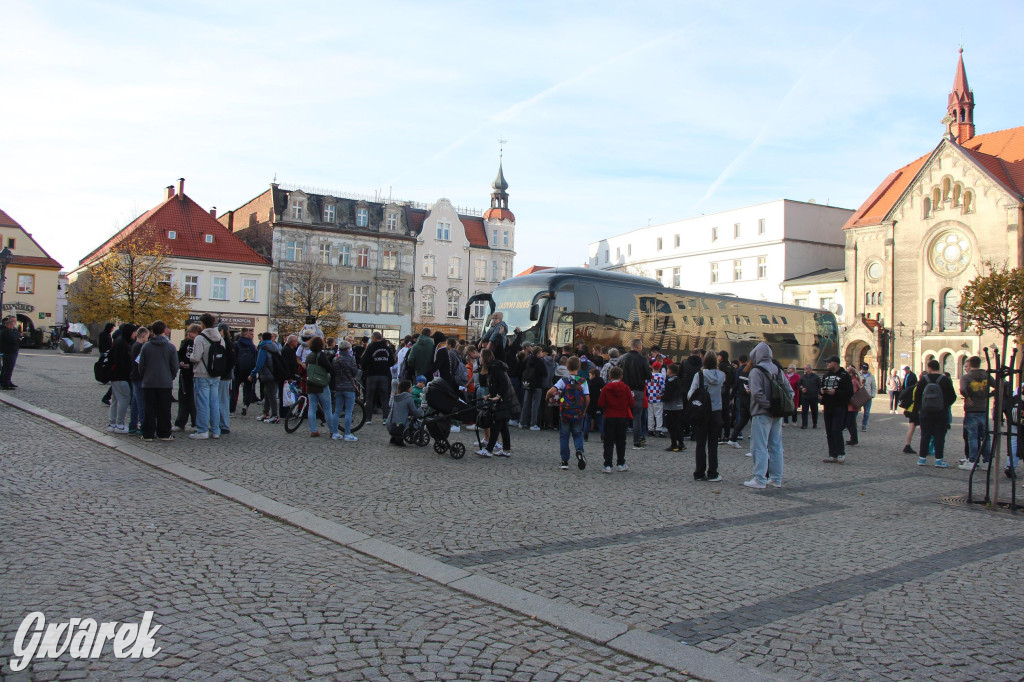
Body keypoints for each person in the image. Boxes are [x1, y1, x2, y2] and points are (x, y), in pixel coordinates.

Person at [744, 342, 791, 489]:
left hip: (762, 412)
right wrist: (778, 407)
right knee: (776, 446)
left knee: (760, 446)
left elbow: (757, 393)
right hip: (778, 413)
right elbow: (789, 391)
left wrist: (767, 405)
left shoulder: (756, 371)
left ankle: (760, 479)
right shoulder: (777, 369)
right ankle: (776, 478)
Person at [546, 356, 590, 470]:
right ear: (578, 367)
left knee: (564, 436)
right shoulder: (582, 381)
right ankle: (579, 451)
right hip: (578, 412)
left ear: (567, 367)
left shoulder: (563, 380)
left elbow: (551, 391)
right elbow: (587, 397)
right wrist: (584, 410)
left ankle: (564, 461)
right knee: (577, 434)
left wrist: (548, 398)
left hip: (565, 412)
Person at [911, 359, 957, 467]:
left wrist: (920, 408)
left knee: (925, 435)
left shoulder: (924, 379)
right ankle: (939, 460)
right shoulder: (944, 379)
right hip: (941, 413)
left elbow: (917, 396)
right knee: (939, 436)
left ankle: (922, 459)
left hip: (925, 412)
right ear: (939, 367)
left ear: (929, 368)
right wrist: (944, 406)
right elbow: (953, 396)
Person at [138, 320, 178, 442]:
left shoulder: (146, 346)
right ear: (164, 330)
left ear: (152, 331)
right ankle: (164, 433)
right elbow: (175, 366)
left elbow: (141, 365)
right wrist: (170, 376)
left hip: (149, 381)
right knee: (164, 409)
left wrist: (145, 376)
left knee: (149, 408)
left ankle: (148, 434)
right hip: (165, 382)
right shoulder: (170, 347)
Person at [477, 348, 519, 458]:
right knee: (503, 426)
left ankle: (489, 450)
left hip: (503, 400)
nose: (479, 359)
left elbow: (504, 384)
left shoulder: (495, 368)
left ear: (485, 358)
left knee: (497, 425)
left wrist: (498, 396)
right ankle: (506, 450)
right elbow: (496, 385)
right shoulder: (493, 368)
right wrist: (490, 395)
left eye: (481, 357)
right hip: (502, 399)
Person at [690, 352, 725, 482]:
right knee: (713, 444)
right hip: (716, 411)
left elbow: (691, 393)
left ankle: (699, 472)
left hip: (702, 411)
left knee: (700, 443)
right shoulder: (721, 376)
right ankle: (713, 472)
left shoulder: (699, 375)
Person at [188, 313, 223, 440]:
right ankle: (216, 430)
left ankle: (202, 430)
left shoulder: (200, 338)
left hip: (202, 373)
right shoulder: (219, 336)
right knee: (214, 402)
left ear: (202, 323)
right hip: (216, 373)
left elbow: (196, 357)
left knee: (202, 403)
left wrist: (191, 357)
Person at [958, 355, 995, 470]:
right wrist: (989, 395)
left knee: (972, 436)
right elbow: (998, 386)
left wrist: (967, 396)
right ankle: (987, 461)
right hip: (983, 408)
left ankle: (972, 460)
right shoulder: (986, 375)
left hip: (972, 409)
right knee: (985, 436)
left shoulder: (966, 377)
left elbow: (963, 389)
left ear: (970, 364)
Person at [598, 365, 633, 473]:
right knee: (621, 441)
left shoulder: (606, 388)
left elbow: (600, 403)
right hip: (622, 417)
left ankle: (607, 464)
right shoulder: (626, 388)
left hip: (609, 416)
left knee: (608, 441)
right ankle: (621, 462)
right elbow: (632, 403)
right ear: (621, 376)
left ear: (610, 376)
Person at [619, 339, 652, 449]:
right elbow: (648, 375)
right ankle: (636, 441)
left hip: (624, 389)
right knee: (637, 416)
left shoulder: (622, 358)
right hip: (638, 390)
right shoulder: (643, 360)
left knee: (622, 415)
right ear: (638, 347)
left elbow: (617, 372)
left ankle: (619, 439)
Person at [303, 336, 338, 438]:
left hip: (310, 383)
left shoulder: (309, 356)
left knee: (312, 407)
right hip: (321, 384)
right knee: (327, 408)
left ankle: (313, 430)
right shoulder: (321, 355)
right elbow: (329, 368)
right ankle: (332, 430)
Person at [820, 356, 852, 464]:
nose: (827, 365)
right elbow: (821, 388)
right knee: (829, 431)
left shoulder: (844, 375)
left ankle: (840, 453)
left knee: (836, 430)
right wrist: (822, 393)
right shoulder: (826, 375)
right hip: (828, 406)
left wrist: (836, 392)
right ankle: (832, 454)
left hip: (839, 406)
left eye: (828, 362)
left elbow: (849, 392)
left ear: (835, 363)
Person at [106, 323, 136, 434]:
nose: (135, 334)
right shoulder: (123, 344)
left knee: (115, 399)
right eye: (133, 332)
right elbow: (121, 362)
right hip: (120, 376)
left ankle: (112, 423)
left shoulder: (120, 342)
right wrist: (130, 369)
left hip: (115, 376)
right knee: (124, 399)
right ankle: (120, 424)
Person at [361, 331, 395, 424]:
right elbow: (392, 362)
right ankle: (385, 418)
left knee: (369, 397)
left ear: (373, 338)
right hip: (384, 375)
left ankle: (368, 419)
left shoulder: (370, 347)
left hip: (372, 375)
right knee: (385, 397)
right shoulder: (387, 348)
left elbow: (364, 362)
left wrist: (365, 368)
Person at [330, 340, 360, 441]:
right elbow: (355, 372)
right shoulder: (351, 359)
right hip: (349, 387)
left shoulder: (335, 359)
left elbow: (334, 373)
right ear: (348, 348)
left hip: (338, 387)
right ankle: (347, 433)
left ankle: (335, 433)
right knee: (348, 411)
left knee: (337, 411)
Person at [249, 332, 282, 424]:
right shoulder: (275, 347)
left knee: (271, 395)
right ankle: (266, 412)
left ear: (262, 338)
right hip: (275, 373)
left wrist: (252, 374)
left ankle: (275, 415)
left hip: (267, 374)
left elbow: (259, 363)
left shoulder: (263, 348)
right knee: (267, 393)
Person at [173, 324, 200, 431]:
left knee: (193, 400)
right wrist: (180, 362)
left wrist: (191, 365)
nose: (189, 334)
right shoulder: (186, 343)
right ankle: (180, 423)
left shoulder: (199, 343)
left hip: (194, 375)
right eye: (188, 332)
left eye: (191, 332)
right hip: (184, 375)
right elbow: (180, 354)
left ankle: (195, 423)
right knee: (183, 399)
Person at [386, 379, 423, 446]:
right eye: (411, 386)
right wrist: (421, 408)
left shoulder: (396, 397)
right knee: (415, 423)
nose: (412, 387)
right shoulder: (408, 398)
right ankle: (399, 437)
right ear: (408, 388)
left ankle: (394, 437)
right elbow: (415, 412)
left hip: (390, 425)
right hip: (401, 427)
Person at [128, 326, 150, 435]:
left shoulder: (134, 345)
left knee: (135, 402)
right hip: (139, 377)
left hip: (134, 376)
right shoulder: (140, 347)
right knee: (141, 403)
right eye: (147, 337)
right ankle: (143, 426)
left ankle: (133, 425)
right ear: (143, 335)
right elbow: (140, 363)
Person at [725, 356, 751, 447]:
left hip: (740, 396)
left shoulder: (740, 371)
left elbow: (736, 384)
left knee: (742, 418)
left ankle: (734, 437)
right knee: (752, 419)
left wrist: (731, 396)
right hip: (749, 398)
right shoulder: (752, 371)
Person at [661, 363, 687, 452]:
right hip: (679, 405)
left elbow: (668, 395)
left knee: (671, 426)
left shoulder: (670, 381)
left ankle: (674, 444)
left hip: (671, 407)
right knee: (678, 425)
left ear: (670, 371)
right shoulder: (679, 380)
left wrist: (662, 397)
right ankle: (681, 443)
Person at [233, 327, 257, 416]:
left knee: (235, 389)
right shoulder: (252, 346)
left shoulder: (236, 344)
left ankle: (232, 408)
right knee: (247, 389)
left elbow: (234, 357)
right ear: (247, 335)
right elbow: (255, 359)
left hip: (238, 369)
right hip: (249, 370)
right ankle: (245, 405)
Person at [519, 346, 544, 430]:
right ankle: (533, 424)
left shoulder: (528, 359)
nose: (542, 353)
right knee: (535, 405)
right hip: (537, 385)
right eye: (541, 352)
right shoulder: (540, 361)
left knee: (526, 404)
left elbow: (522, 368)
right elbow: (545, 373)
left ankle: (522, 422)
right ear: (538, 353)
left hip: (528, 384)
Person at [217, 323, 236, 435]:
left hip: (224, 376)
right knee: (220, 400)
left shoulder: (227, 343)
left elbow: (232, 360)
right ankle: (221, 423)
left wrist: (224, 371)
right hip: (224, 375)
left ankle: (224, 425)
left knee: (222, 400)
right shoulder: (224, 342)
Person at [899, 365, 920, 454]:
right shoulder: (919, 387)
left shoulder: (913, 383)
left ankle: (907, 445)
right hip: (918, 410)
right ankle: (924, 448)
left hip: (911, 409)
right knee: (924, 429)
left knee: (911, 427)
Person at [0, 316, 21, 390]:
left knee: (9, 368)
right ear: (9, 324)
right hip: (8, 352)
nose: (14, 325)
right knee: (7, 368)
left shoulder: (12, 330)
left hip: (12, 351)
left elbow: (16, 337)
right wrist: (17, 339)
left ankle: (7, 382)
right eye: (13, 323)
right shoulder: (5, 331)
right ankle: (5, 383)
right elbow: (13, 340)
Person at [584, 366, 604, 441]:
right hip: (599, 404)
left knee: (587, 420)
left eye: (590, 375)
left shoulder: (589, 383)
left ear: (593, 375)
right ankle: (603, 435)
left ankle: (585, 435)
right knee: (600, 421)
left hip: (590, 404)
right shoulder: (602, 383)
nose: (589, 377)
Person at [98, 321, 116, 403]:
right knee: (102, 365)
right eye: (112, 328)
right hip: (104, 351)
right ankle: (102, 377)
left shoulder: (108, 335)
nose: (112, 329)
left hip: (108, 351)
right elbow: (102, 344)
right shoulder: (103, 334)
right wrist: (105, 350)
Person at [798, 364, 821, 429]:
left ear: (810, 369)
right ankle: (804, 424)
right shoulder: (802, 377)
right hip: (805, 396)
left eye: (807, 368)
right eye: (805, 368)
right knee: (804, 410)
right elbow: (799, 385)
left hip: (813, 396)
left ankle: (815, 423)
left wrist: (819, 393)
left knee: (814, 410)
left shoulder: (816, 377)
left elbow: (819, 386)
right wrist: (801, 389)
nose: (805, 370)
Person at [646, 362, 666, 437]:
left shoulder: (649, 376)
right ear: (660, 368)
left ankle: (650, 429)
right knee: (658, 414)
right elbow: (663, 387)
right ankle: (658, 429)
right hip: (658, 397)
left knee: (650, 414)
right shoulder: (660, 377)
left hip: (649, 397)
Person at [845, 366, 862, 447]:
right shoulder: (854, 380)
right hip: (852, 406)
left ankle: (854, 440)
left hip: (851, 406)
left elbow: (852, 393)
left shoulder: (853, 382)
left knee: (850, 423)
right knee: (850, 423)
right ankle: (853, 439)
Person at [859, 363, 877, 431]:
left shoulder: (871, 377)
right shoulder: (858, 375)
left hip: (868, 397)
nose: (864, 371)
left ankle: (864, 425)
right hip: (860, 396)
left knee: (866, 413)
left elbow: (873, 387)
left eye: (865, 369)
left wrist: (872, 395)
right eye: (863, 369)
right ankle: (850, 425)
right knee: (855, 412)